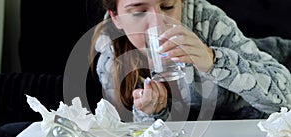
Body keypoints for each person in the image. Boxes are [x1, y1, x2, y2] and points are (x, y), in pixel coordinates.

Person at [89, 0, 291, 122]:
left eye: (168, 6)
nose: (158, 24)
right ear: (115, 17)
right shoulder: (111, 57)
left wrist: (213, 60)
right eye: (139, 11)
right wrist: (153, 113)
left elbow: (286, 99)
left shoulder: (208, 22)